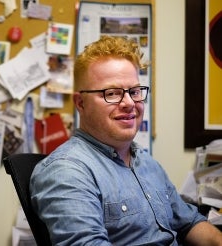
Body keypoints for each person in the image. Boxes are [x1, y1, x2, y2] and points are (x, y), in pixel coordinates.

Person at [29, 36, 222, 245]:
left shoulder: (147, 163)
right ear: (81, 103)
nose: (130, 103)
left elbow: (190, 222)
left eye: (135, 91)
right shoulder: (66, 171)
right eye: (112, 93)